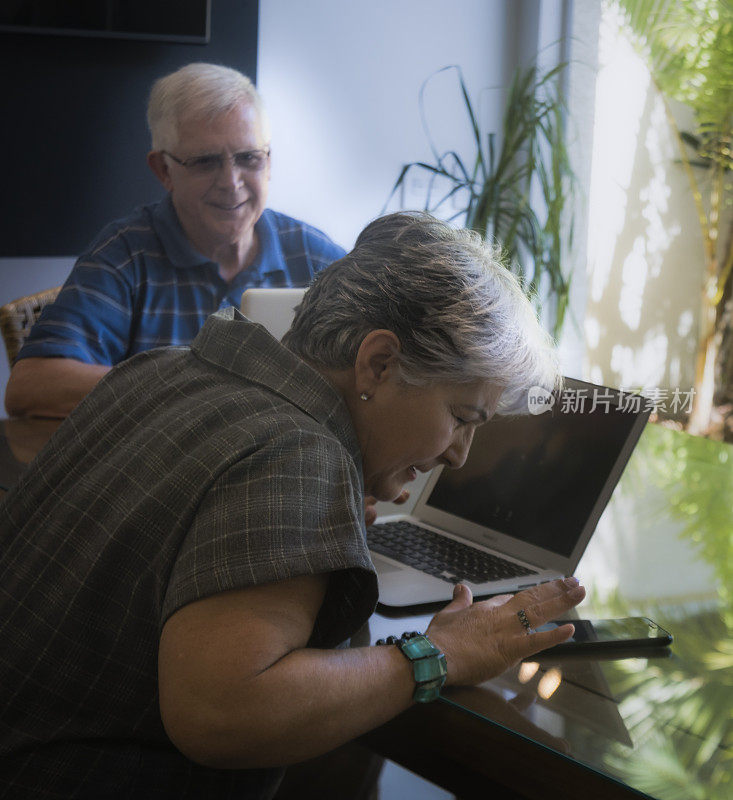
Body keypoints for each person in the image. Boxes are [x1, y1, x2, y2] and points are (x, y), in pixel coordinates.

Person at [0, 212, 585, 799]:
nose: (459, 456)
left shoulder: (162, 368)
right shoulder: (298, 454)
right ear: (379, 363)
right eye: (461, 418)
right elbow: (222, 715)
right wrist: (445, 653)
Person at [4, 62, 345, 420]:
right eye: (205, 162)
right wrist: (199, 388)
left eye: (248, 158)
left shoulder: (315, 257)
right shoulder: (125, 254)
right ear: (164, 171)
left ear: (269, 162)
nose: (231, 182)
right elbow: (31, 387)